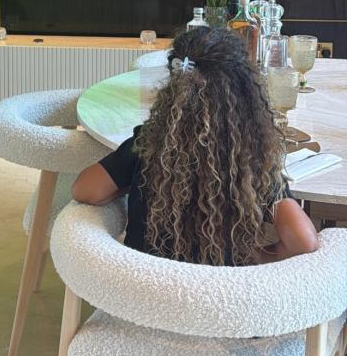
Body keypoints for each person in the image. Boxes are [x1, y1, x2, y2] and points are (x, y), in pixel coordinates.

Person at [72, 28, 319, 266]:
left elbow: (85, 190)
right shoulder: (251, 158)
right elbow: (303, 241)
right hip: (217, 292)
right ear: (245, 90)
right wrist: (255, 256)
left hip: (144, 286)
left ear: (174, 86)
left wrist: (126, 188)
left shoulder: (148, 143)